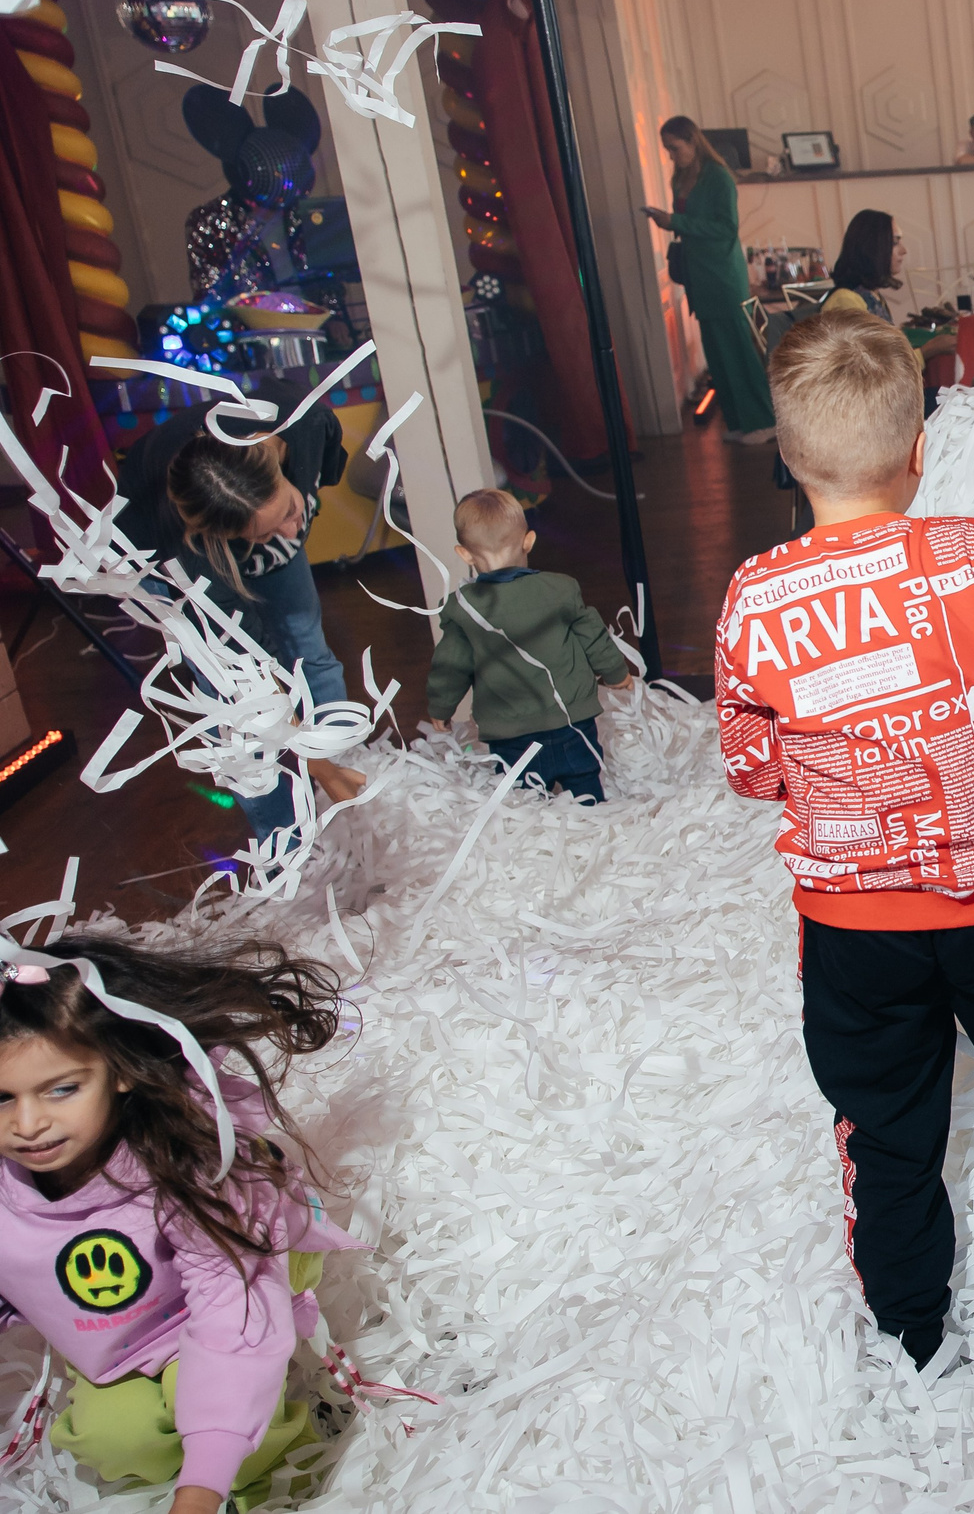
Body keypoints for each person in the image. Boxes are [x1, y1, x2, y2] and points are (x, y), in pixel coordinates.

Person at [714, 311, 974, 1373]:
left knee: (887, 1128)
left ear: (785, 455)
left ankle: (912, 1335)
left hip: (854, 928)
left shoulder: (753, 598)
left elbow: (748, 767)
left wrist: (831, 772)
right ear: (919, 452)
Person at [0, 934, 365, 1512]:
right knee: (111, 1440)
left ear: (119, 1070)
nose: (28, 1123)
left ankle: (276, 1478)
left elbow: (231, 1307)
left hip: (238, 1272)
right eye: (1, 1097)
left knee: (229, 1413)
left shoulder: (188, 1165)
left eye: (62, 1089)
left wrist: (204, 1483)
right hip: (123, 1337)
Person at [111, 397, 365, 845]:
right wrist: (315, 764)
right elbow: (243, 684)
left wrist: (327, 761)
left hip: (235, 511)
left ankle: (351, 788)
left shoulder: (304, 425)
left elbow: (300, 496)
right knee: (233, 711)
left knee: (307, 644)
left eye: (288, 510)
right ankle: (285, 844)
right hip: (169, 557)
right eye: (263, 535)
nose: (292, 533)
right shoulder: (189, 552)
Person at [423, 489, 637, 806]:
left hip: (510, 733)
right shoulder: (561, 589)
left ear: (464, 554)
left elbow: (450, 665)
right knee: (584, 781)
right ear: (529, 541)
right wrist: (616, 672)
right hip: (571, 723)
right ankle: (593, 821)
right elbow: (594, 636)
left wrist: (440, 707)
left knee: (524, 801)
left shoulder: (461, 608)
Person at [646, 116, 775, 445]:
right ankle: (738, 420)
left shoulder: (717, 177)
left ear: (692, 141)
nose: (671, 155)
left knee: (738, 349)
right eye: (667, 150)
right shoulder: (681, 177)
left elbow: (725, 227)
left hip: (721, 273)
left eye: (675, 148)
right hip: (698, 273)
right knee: (716, 352)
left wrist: (674, 221)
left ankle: (762, 419)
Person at [818, 210, 956, 368]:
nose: (904, 250)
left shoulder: (872, 295)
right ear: (872, 247)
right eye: (895, 242)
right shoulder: (846, 301)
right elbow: (868, 369)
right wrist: (928, 350)